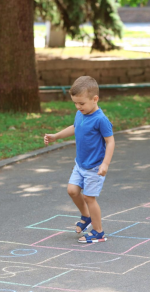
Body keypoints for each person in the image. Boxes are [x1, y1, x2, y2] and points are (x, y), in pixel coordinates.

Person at [44, 76, 115, 243]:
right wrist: (56, 136)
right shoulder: (80, 114)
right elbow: (75, 127)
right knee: (72, 191)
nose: (78, 106)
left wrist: (105, 164)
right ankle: (86, 216)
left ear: (94, 99)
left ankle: (98, 231)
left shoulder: (100, 119)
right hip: (80, 164)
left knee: (90, 197)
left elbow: (110, 141)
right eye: (75, 103)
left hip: (94, 167)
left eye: (81, 103)